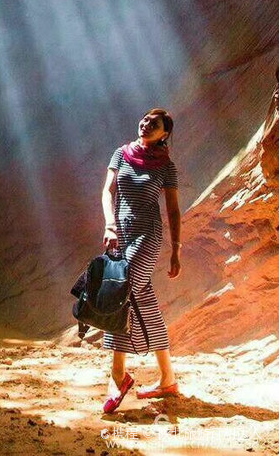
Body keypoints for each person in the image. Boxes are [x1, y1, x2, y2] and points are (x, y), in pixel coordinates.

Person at [100, 107, 182, 414]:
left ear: (164, 134)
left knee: (119, 294)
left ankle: (118, 376)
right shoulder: (120, 154)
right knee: (144, 302)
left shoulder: (166, 167)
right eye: (145, 120)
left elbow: (172, 210)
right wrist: (109, 225)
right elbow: (107, 192)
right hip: (120, 234)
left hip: (148, 237)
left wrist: (176, 249)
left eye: (155, 124)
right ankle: (168, 378)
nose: (146, 125)